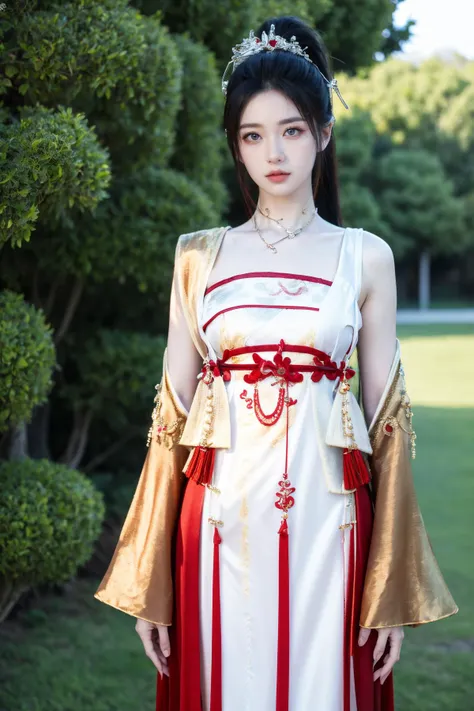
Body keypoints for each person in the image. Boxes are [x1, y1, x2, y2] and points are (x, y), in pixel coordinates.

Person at [94, 16, 458, 711]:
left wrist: (391, 588)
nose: (274, 153)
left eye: (291, 129)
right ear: (236, 145)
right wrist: (151, 579)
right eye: (253, 135)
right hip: (219, 517)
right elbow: (169, 417)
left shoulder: (365, 255)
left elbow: (389, 425)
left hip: (332, 517)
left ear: (323, 132)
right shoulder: (198, 256)